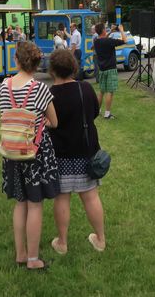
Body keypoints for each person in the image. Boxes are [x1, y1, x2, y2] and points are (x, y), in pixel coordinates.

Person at [0, 41, 59, 270]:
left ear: (16, 60)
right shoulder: (40, 89)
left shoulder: (4, 87)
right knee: (35, 204)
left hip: (11, 150)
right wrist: (41, 121)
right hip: (35, 152)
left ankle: (21, 254)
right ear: (36, 64)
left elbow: (6, 115)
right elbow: (54, 121)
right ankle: (33, 259)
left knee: (20, 202)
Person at [48, 49, 106, 255]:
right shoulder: (86, 88)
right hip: (86, 152)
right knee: (90, 197)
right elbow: (94, 113)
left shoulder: (49, 95)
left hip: (60, 154)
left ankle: (62, 243)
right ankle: (100, 240)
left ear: (52, 70)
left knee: (62, 198)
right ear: (73, 67)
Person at [93, 23, 126, 119]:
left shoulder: (96, 41)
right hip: (111, 68)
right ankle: (107, 114)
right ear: (103, 30)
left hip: (102, 69)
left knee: (102, 91)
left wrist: (111, 31)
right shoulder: (109, 41)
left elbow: (103, 38)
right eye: (105, 29)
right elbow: (124, 40)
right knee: (110, 91)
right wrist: (121, 30)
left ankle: (97, 111)